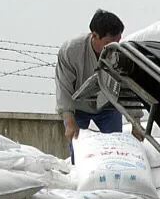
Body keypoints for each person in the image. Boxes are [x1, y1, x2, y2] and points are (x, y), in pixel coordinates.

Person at [55, 9, 141, 159]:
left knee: (115, 150)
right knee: (79, 151)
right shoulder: (71, 51)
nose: (113, 47)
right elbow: (64, 87)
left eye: (118, 41)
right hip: (78, 108)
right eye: (108, 42)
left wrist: (136, 121)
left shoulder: (119, 54)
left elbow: (127, 87)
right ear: (94, 35)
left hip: (108, 107)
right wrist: (69, 120)